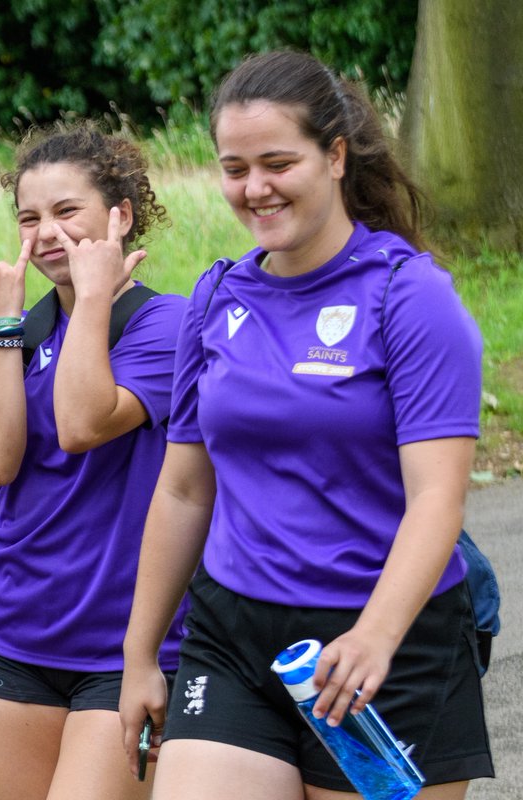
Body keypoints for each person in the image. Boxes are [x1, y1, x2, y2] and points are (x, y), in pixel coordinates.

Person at [118, 49, 494, 800]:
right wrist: (138, 656)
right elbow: (186, 490)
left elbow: (437, 502)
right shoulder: (217, 296)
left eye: (277, 162)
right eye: (234, 167)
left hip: (382, 641)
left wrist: (376, 636)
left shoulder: (408, 296)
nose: (254, 188)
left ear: (335, 155)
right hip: (234, 633)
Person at [0, 122, 188, 800]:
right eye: (28, 218)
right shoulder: (10, 327)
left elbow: (84, 423)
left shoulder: (169, 324)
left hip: (127, 642)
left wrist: (95, 299)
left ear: (122, 216)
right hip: (15, 629)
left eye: (65, 211)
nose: (44, 232)